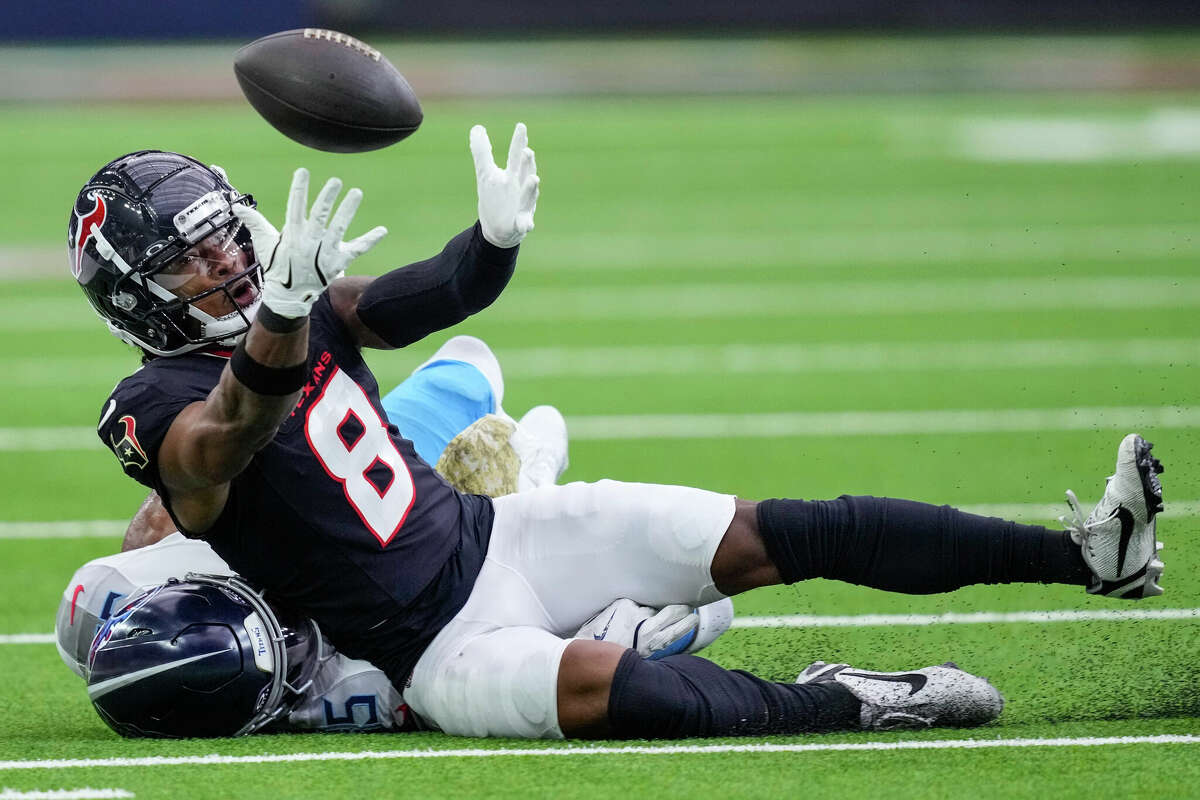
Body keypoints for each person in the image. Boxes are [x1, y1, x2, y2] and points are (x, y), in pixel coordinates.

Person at [70, 122, 1166, 741]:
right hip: (436, 646)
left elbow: (424, 296)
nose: (221, 263)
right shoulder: (155, 403)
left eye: (222, 236)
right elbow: (226, 439)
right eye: (185, 257)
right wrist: (279, 318)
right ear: (136, 298)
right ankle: (855, 697)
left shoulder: (302, 303)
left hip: (504, 533)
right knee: (607, 691)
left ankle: (1085, 553)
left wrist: (492, 242)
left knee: (774, 531)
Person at [62, 335, 733, 736]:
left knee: (467, 364)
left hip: (319, 500)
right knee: (676, 617)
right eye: (291, 652)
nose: (297, 635)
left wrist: (172, 499)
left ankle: (515, 483)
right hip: (409, 568)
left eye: (279, 625)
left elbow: (168, 515)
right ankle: (525, 487)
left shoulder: (119, 591)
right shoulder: (348, 690)